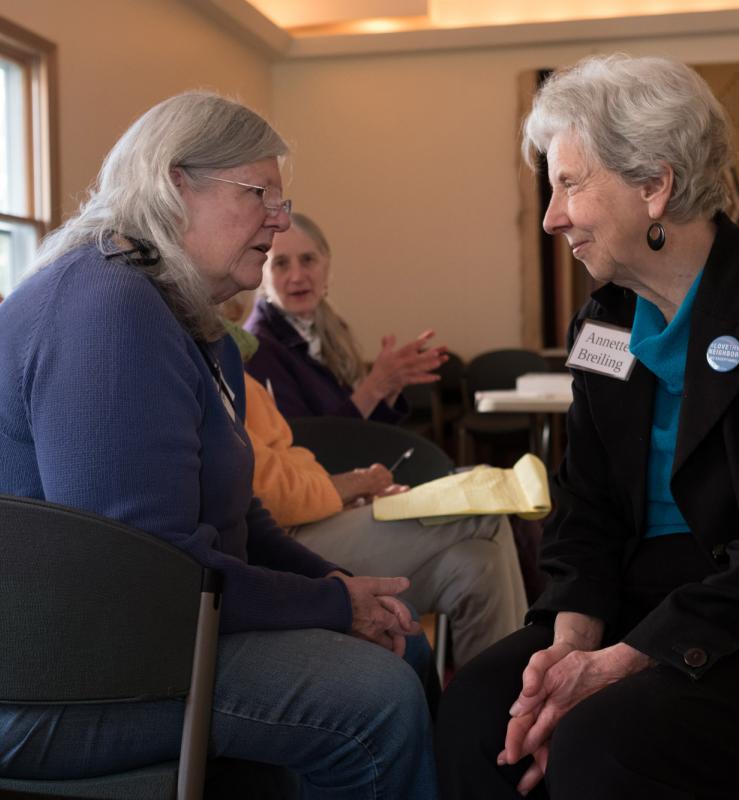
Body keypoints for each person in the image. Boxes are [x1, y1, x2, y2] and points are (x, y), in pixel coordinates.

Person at [0, 91, 438, 799]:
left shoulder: (177, 316)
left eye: (282, 198)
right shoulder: (108, 309)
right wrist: (331, 608)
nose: (281, 217)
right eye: (259, 192)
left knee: (401, 647)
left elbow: (243, 520)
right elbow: (152, 574)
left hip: (128, 644)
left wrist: (332, 587)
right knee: (377, 700)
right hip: (54, 684)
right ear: (174, 185)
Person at [435, 54, 739, 799]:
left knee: (600, 744)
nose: (550, 216)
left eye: (569, 183)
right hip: (633, 598)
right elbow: (586, 502)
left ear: (654, 185)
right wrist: (572, 646)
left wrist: (624, 662)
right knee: (479, 708)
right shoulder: (603, 320)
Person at [239, 359, 529, 669]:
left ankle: (499, 710)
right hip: (282, 537)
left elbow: (290, 465)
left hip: (317, 507)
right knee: (488, 511)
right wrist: (351, 485)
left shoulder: (233, 354)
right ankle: (519, 697)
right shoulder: (240, 353)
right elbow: (268, 490)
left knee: (477, 562)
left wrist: (347, 493)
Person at [244, 211, 448, 422]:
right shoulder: (257, 348)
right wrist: (374, 388)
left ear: (327, 265)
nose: (297, 276)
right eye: (281, 264)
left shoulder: (331, 326)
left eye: (307, 260)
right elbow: (301, 446)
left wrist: (390, 386)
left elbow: (364, 429)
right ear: (262, 276)